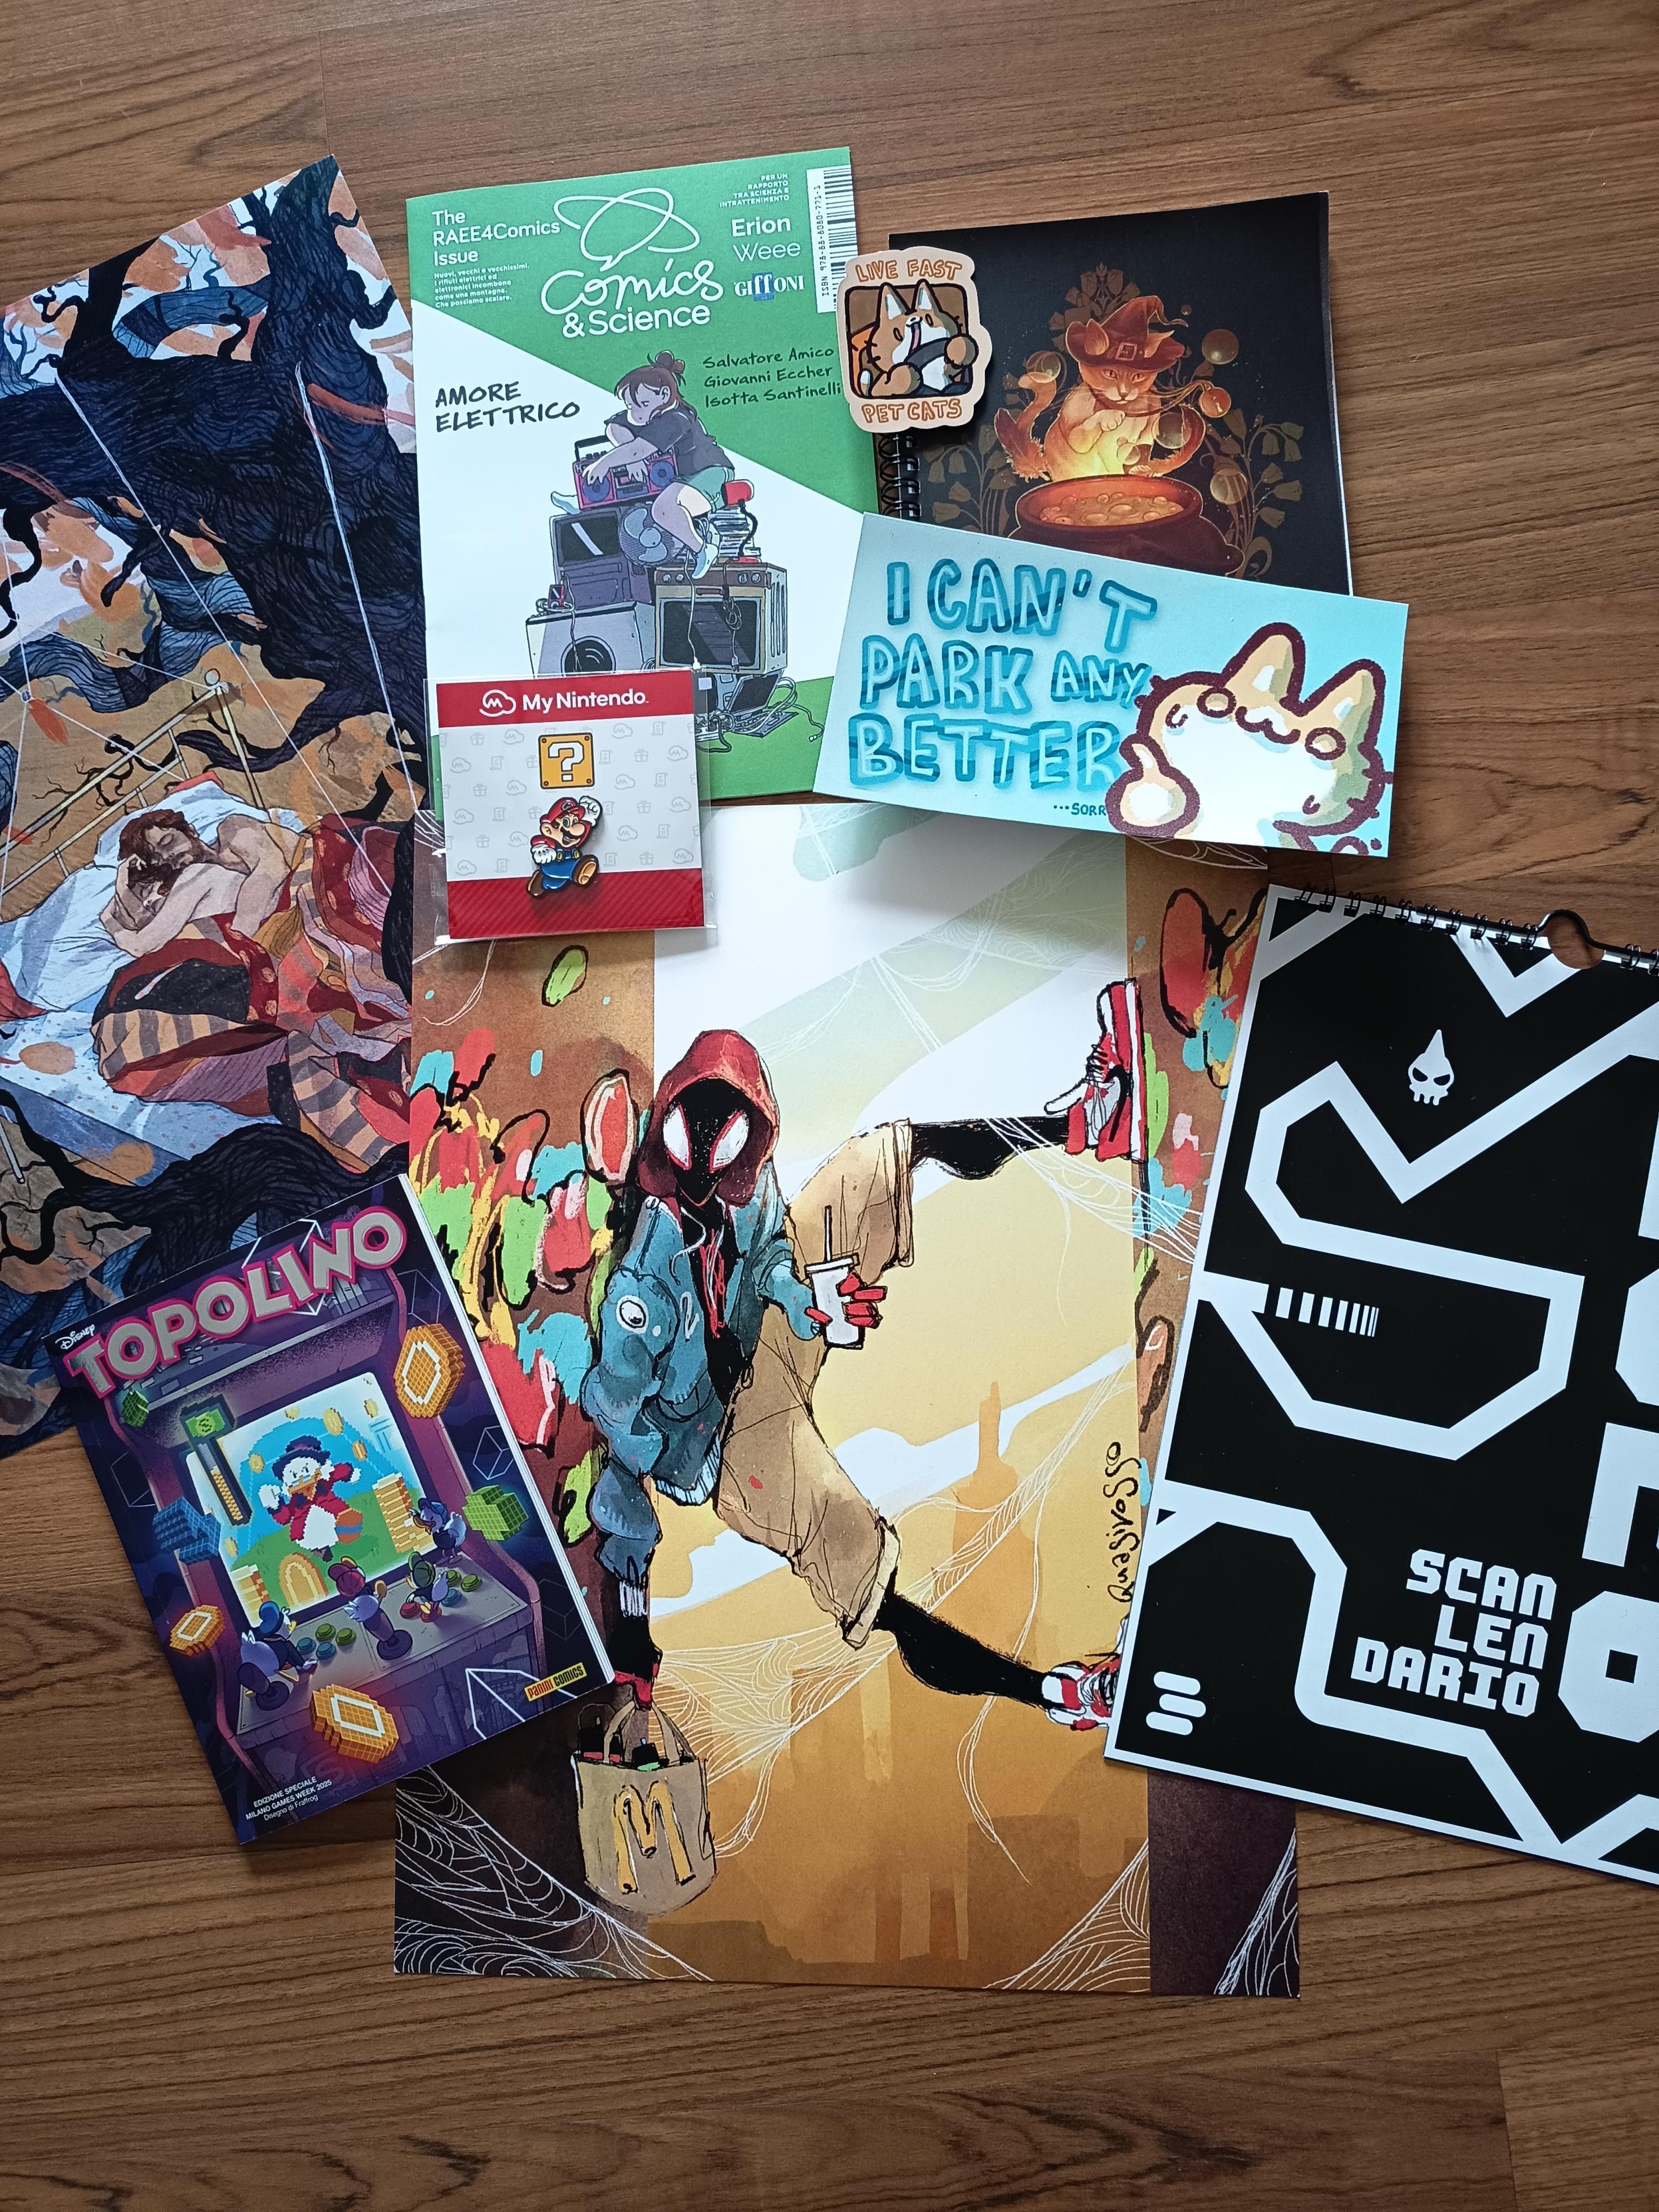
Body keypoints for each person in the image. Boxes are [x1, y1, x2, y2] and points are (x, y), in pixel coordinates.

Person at [580, 1001, 1145, 1732]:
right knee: (862, 1570)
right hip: (724, 1448)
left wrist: (802, 1297)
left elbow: (768, 1251)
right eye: (697, 1148)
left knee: (879, 1158)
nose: (710, 1179)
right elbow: (616, 1424)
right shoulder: (642, 1291)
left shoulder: (746, 1186)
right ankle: (1059, 1695)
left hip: (766, 1338)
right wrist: (633, 1611)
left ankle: (1086, 1123)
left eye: (730, 1150)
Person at [583, 351, 734, 579]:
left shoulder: (677, 418)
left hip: (709, 473)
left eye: (643, 404)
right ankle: (582, 503)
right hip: (679, 478)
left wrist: (606, 463)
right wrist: (634, 459)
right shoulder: (649, 415)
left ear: (664, 395)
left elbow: (638, 450)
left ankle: (703, 548)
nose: (635, 413)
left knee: (663, 509)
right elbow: (614, 428)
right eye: (630, 406)